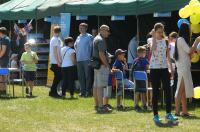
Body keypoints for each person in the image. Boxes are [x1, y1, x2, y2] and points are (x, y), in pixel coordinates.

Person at [149, 23, 177, 123]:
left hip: (164, 68)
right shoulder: (151, 40)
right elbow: (153, 49)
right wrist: (153, 36)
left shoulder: (166, 41)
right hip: (154, 69)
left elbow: (168, 56)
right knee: (155, 92)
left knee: (168, 91)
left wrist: (171, 69)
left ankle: (168, 114)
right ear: (155, 31)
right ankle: (155, 115)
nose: (160, 34)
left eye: (162, 31)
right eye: (158, 32)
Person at [174, 23, 200, 117]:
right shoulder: (180, 39)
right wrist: (196, 41)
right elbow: (189, 51)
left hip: (184, 67)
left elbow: (187, 54)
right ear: (186, 30)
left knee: (183, 91)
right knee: (180, 90)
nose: (190, 30)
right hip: (183, 68)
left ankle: (184, 111)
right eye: (189, 28)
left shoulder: (181, 40)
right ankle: (177, 112)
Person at [93, 25, 112, 113]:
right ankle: (101, 106)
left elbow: (102, 52)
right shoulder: (101, 40)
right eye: (107, 31)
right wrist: (107, 65)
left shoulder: (96, 38)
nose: (108, 33)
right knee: (100, 87)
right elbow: (101, 54)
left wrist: (107, 54)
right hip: (101, 66)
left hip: (96, 65)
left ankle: (97, 105)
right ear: (102, 30)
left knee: (96, 86)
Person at [74, 23, 93, 97]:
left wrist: (91, 57)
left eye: (82, 28)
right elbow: (75, 46)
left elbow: (92, 48)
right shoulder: (78, 37)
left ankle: (88, 91)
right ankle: (82, 91)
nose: (80, 29)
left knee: (88, 76)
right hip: (79, 59)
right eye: (79, 28)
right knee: (80, 76)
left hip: (87, 59)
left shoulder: (89, 37)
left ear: (86, 28)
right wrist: (77, 54)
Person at [132, 46, 149, 111]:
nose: (145, 54)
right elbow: (148, 68)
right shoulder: (145, 60)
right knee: (143, 92)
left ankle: (136, 105)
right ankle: (144, 105)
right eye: (144, 53)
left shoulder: (135, 60)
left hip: (136, 79)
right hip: (143, 79)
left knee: (137, 92)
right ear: (141, 53)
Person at [49, 26, 62, 97]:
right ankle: (53, 92)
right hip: (55, 61)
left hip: (56, 61)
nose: (57, 33)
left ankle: (53, 91)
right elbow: (55, 51)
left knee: (58, 77)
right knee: (58, 77)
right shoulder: (55, 39)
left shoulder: (56, 39)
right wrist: (58, 61)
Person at [0, 27, 10, 95]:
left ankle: (3, 90)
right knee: (2, 75)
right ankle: (3, 90)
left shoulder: (5, 39)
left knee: (3, 75)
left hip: (3, 60)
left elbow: (3, 51)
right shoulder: (6, 38)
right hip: (4, 60)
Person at [168, 32, 178, 101]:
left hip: (171, 65)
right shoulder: (173, 45)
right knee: (173, 82)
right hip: (173, 65)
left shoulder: (172, 45)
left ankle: (171, 99)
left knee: (171, 82)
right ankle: (173, 98)